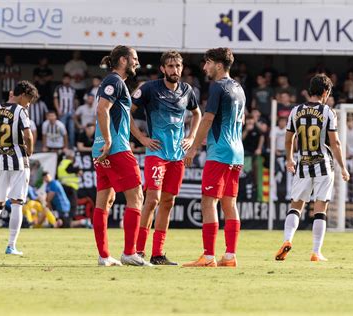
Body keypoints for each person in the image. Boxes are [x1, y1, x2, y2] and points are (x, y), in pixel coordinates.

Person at [130, 50, 201, 265]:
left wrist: (190, 137)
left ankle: (158, 254)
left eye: (178, 66)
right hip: (156, 153)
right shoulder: (150, 89)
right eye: (170, 66)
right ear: (163, 69)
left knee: (168, 202)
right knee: (152, 200)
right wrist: (141, 138)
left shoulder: (187, 90)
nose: (175, 70)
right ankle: (138, 251)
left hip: (177, 156)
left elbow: (197, 114)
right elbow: (127, 112)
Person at [275, 74, 350, 262]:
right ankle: (316, 252)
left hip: (303, 163)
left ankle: (287, 239)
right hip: (323, 164)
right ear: (325, 92)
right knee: (320, 208)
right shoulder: (327, 112)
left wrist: (290, 159)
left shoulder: (295, 110)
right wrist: (343, 167)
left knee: (296, 206)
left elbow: (288, 139)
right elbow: (335, 143)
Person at [183, 47, 245, 268]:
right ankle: (230, 256)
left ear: (219, 65)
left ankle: (208, 257)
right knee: (230, 203)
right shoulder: (239, 88)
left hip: (219, 152)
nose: (204, 67)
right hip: (237, 152)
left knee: (208, 201)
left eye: (207, 62)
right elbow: (242, 120)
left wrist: (193, 148)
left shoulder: (217, 87)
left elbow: (207, 119)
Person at [92, 45, 149, 267]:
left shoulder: (116, 83)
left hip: (102, 150)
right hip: (115, 149)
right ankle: (129, 253)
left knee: (104, 202)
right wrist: (108, 140)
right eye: (134, 59)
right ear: (124, 60)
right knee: (137, 198)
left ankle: (104, 255)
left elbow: (115, 114)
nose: (137, 62)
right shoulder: (114, 81)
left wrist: (140, 139)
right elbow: (101, 109)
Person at [0, 80, 38, 256]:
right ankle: (11, 246)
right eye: (28, 100)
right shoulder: (21, 111)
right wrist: (29, 151)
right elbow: (28, 136)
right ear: (21, 95)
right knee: (17, 203)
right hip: (18, 161)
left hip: (0, 161)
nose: (28, 104)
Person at [53, 74, 77, 148]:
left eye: (68, 79)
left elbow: (75, 100)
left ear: (70, 80)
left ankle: (72, 146)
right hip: (62, 112)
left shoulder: (73, 89)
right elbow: (55, 99)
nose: (66, 81)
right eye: (65, 79)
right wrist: (58, 110)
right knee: (61, 130)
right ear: (63, 80)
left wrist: (74, 111)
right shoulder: (58, 88)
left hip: (71, 112)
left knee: (72, 130)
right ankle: (62, 146)